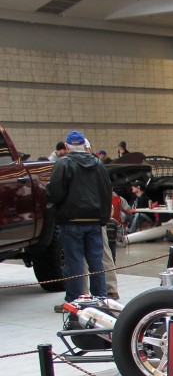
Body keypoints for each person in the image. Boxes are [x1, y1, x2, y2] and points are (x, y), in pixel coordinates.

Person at [47, 130, 110, 310]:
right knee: (96, 262)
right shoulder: (98, 164)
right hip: (94, 220)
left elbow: (55, 192)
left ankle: (73, 301)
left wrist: (56, 210)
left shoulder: (64, 163)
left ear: (67, 146)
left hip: (71, 220)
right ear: (84, 145)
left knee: (73, 263)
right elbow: (106, 192)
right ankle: (100, 299)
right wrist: (103, 218)